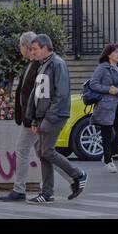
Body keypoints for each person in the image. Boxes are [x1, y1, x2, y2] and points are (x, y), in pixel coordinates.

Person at [28, 33, 86, 204]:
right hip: (42, 116)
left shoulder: (57, 64)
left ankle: (78, 174)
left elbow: (61, 96)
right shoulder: (43, 65)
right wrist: (34, 119)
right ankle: (47, 193)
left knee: (46, 151)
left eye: (35, 49)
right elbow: (38, 94)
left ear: (45, 48)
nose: (33, 52)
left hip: (54, 115)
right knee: (42, 151)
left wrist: (48, 119)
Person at [0, 31, 40, 203]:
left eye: (20, 46)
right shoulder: (31, 64)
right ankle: (75, 176)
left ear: (25, 46)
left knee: (22, 150)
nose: (19, 49)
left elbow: (35, 95)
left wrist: (32, 118)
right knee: (46, 153)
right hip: (29, 118)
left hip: (32, 120)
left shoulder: (38, 65)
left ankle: (19, 189)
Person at [88, 42, 118, 171]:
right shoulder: (102, 68)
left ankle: (109, 153)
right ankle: (108, 160)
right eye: (116, 52)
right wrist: (108, 89)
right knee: (106, 133)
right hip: (105, 105)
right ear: (109, 54)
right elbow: (93, 84)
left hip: (117, 104)